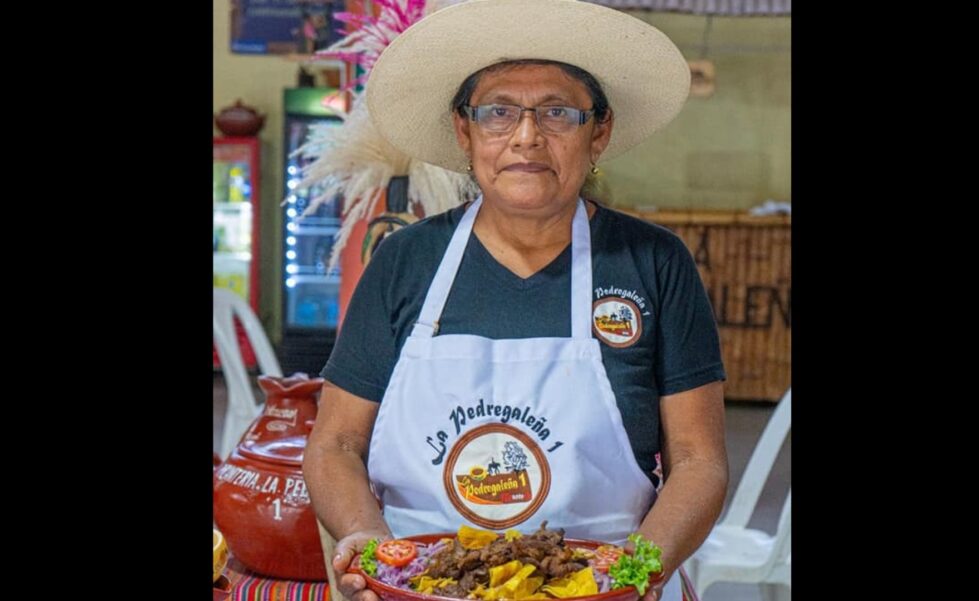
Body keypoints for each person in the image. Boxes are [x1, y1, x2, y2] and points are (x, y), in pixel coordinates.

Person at [303, 1, 728, 600]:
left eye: (558, 113)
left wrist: (637, 569)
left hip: (603, 587)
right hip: (422, 587)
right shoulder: (404, 261)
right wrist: (375, 552)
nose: (527, 137)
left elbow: (698, 460)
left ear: (598, 132)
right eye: (499, 112)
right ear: (464, 130)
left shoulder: (653, 262)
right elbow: (336, 444)